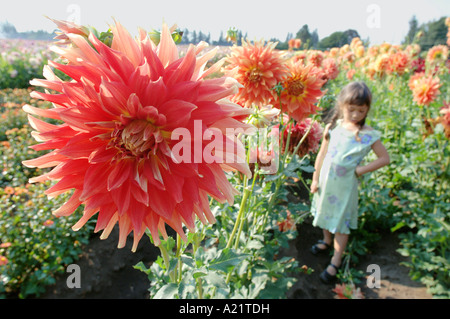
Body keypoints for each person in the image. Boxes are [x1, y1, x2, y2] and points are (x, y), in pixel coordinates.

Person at [309, 81, 390, 284]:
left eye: (361, 111)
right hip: (326, 182)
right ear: (342, 106)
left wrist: (360, 170)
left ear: (367, 110)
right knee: (324, 213)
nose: (355, 115)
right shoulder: (333, 127)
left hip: (345, 188)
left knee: (341, 223)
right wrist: (315, 178)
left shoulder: (367, 134)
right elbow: (322, 155)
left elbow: (384, 158)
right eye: (351, 110)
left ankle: (336, 261)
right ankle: (326, 241)